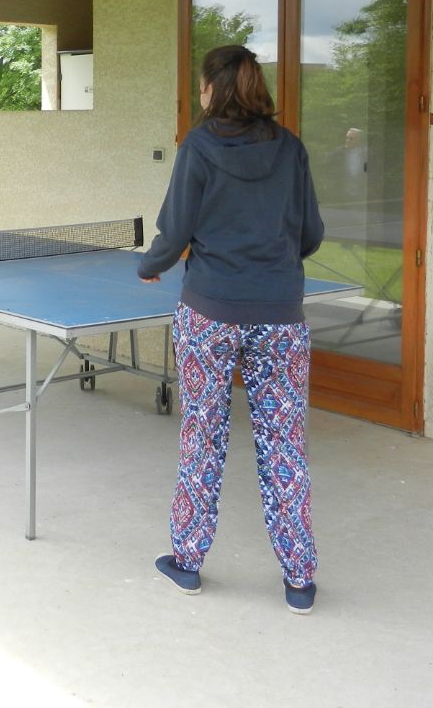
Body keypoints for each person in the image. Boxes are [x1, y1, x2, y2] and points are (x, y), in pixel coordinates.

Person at [138, 44, 325, 615]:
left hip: (210, 314)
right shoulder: (290, 148)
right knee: (284, 445)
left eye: (200, 85)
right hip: (280, 316)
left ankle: (188, 563)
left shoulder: (197, 146)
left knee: (203, 434)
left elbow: (175, 229)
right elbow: (311, 235)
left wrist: (150, 266)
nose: (199, 95)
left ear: (214, 89)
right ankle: (299, 579)